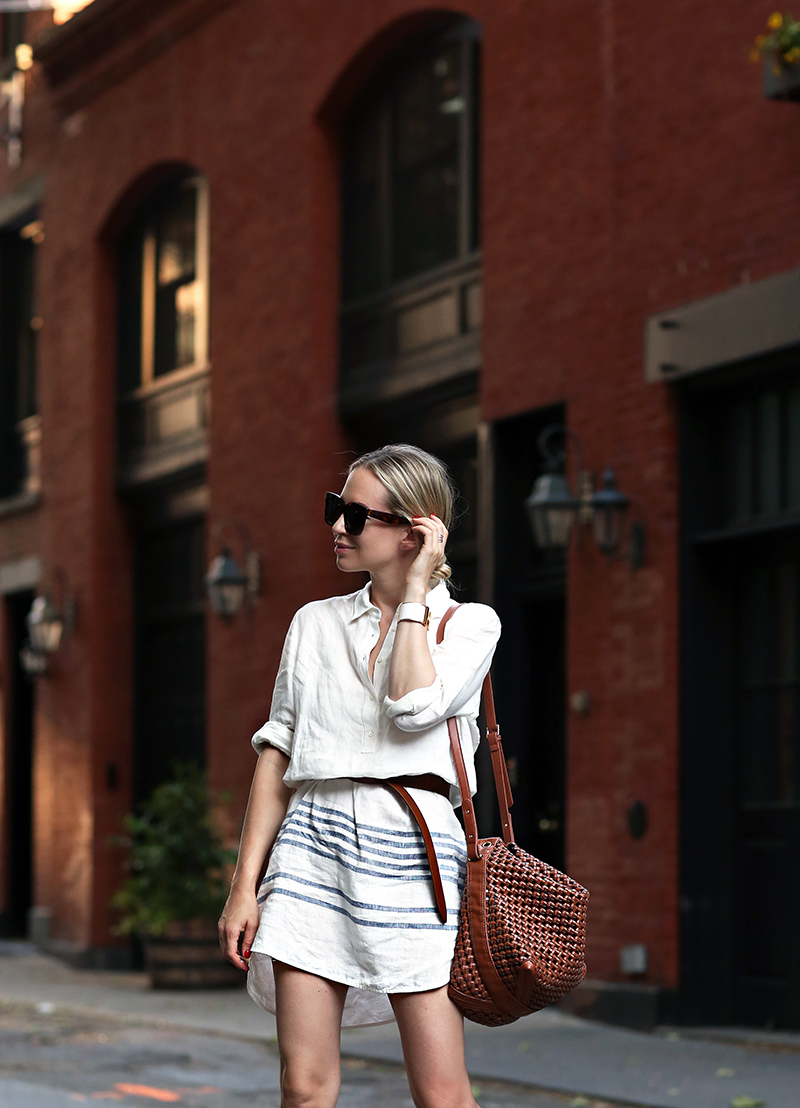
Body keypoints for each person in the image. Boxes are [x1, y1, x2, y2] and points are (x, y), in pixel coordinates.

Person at [219, 443, 501, 1108]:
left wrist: (411, 599)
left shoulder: (468, 626)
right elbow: (277, 757)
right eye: (334, 509)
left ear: (417, 530)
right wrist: (245, 886)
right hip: (311, 850)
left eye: (355, 515)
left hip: (416, 857)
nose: (337, 528)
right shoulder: (313, 624)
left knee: (442, 1094)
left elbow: (410, 707)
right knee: (304, 1086)